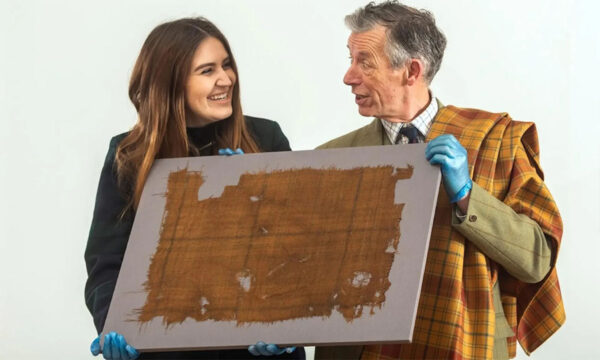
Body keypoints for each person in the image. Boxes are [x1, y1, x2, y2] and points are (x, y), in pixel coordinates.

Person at [315, 2, 564, 359]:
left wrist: (466, 196)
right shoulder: (330, 159)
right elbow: (304, 267)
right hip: (360, 349)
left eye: (364, 61)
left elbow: (536, 260)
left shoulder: (497, 140)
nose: (348, 76)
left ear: (411, 70)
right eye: (350, 59)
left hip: (465, 345)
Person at [84, 17, 304, 360]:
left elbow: (300, 249)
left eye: (227, 65)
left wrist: (290, 328)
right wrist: (115, 326)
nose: (226, 79)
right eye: (207, 70)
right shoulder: (130, 155)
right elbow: (107, 261)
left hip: (257, 349)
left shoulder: (266, 138)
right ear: (171, 82)